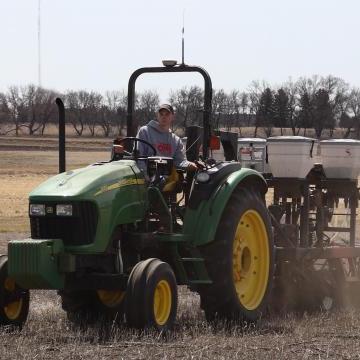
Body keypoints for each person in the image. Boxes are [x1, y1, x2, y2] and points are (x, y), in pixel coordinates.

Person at [136, 104, 198, 171]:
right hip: (147, 177)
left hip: (167, 178)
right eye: (161, 114)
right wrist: (145, 177)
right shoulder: (145, 131)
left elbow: (179, 161)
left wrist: (190, 165)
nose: (164, 117)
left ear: (173, 117)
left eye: (167, 114)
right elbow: (139, 158)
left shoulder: (176, 140)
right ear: (157, 115)